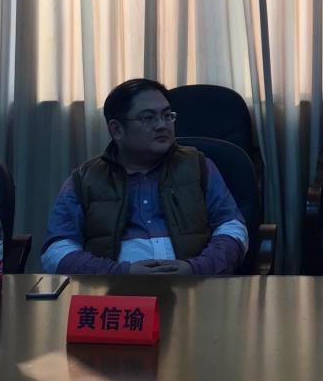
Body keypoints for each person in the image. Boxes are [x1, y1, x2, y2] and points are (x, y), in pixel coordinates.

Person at [42, 78, 248, 275]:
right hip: (115, 293)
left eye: (167, 115)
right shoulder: (85, 179)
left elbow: (232, 228)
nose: (162, 125)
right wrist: (119, 274)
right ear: (117, 129)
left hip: (195, 288)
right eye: (148, 118)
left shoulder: (199, 166)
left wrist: (196, 269)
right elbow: (57, 250)